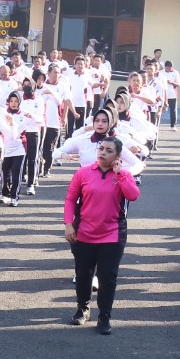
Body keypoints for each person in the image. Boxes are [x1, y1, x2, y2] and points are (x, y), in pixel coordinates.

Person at [62, 137, 141, 334]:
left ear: (117, 156)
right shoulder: (83, 172)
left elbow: (133, 195)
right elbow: (71, 198)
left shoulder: (123, 174)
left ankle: (104, 316)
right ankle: (82, 308)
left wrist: (120, 173)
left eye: (108, 150)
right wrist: (68, 225)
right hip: (84, 232)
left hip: (112, 235)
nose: (103, 153)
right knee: (83, 273)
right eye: (101, 148)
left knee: (108, 276)